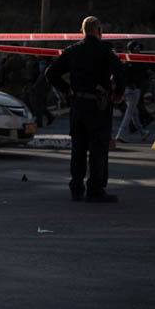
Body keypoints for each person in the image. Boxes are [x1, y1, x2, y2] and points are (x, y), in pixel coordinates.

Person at [45, 16, 125, 202]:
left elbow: (50, 73)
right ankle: (95, 189)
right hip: (98, 106)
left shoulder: (72, 50)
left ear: (82, 31)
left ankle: (76, 188)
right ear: (99, 30)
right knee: (98, 148)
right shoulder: (105, 51)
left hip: (78, 105)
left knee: (78, 148)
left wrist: (67, 90)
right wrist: (118, 93)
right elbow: (120, 72)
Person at [114, 41, 151, 144]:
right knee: (129, 113)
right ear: (134, 48)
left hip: (127, 89)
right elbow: (147, 72)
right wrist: (154, 74)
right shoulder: (137, 60)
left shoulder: (126, 59)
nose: (139, 49)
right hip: (134, 89)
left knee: (134, 113)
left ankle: (143, 132)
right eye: (138, 47)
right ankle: (120, 134)